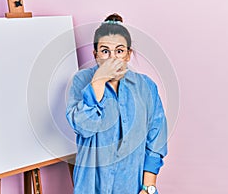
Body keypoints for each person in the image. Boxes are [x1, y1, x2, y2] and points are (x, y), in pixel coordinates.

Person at [66, 13, 167, 194]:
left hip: (133, 187)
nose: (112, 58)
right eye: (105, 51)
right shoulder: (82, 81)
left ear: (128, 55)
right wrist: (98, 82)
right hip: (91, 186)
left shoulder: (146, 87)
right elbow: (83, 127)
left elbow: (156, 139)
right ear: (95, 54)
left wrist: (148, 187)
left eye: (119, 51)